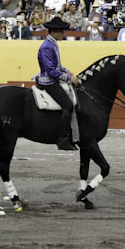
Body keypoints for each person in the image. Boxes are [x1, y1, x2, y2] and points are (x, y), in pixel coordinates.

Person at [36, 17, 79, 151]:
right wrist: (68, 78)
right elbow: (51, 71)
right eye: (62, 31)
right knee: (67, 105)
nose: (63, 34)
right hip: (48, 82)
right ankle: (62, 139)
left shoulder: (52, 43)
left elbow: (57, 66)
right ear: (54, 32)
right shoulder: (47, 47)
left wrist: (67, 71)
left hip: (52, 79)